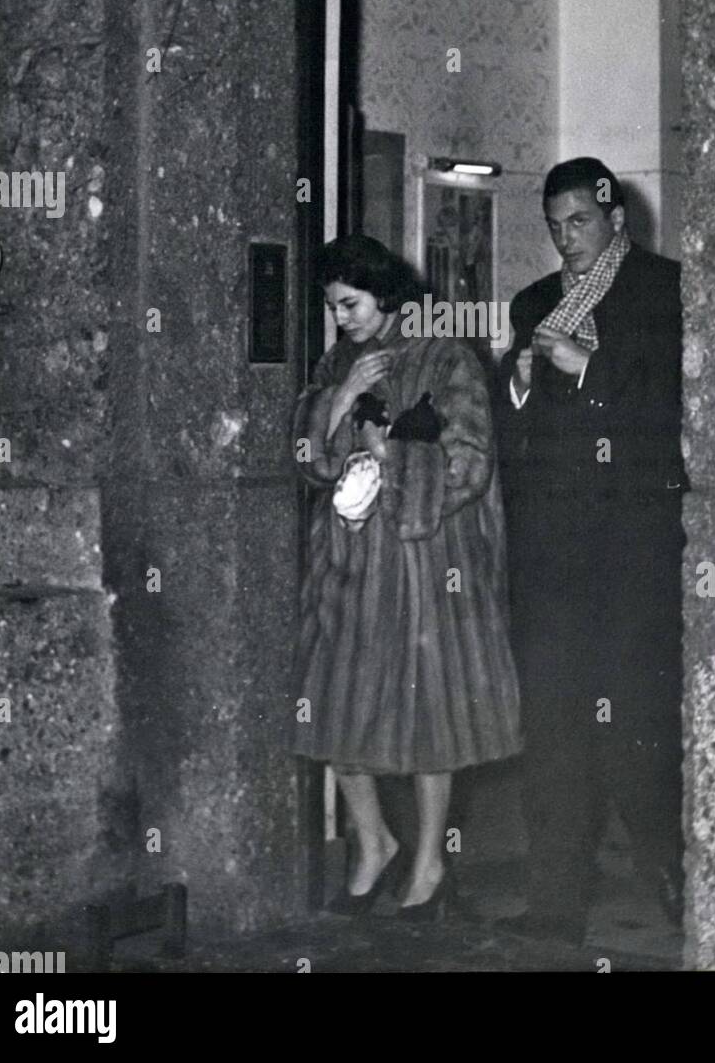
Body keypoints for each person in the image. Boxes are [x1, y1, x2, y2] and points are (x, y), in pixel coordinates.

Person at [291, 233, 521, 920]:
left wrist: (388, 464)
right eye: (334, 308)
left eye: (352, 304)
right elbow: (306, 457)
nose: (343, 319)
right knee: (331, 705)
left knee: (432, 716)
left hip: (427, 561)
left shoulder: (446, 353)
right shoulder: (339, 361)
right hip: (350, 559)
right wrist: (341, 401)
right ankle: (373, 844)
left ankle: (429, 862)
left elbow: (470, 460)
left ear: (386, 296)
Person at [494, 158, 689, 945]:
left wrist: (591, 372)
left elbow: (677, 409)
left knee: (638, 724)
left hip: (635, 550)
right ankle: (556, 898)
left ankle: (672, 876)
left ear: (613, 215)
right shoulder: (535, 305)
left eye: (577, 222)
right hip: (555, 555)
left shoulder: (665, 291)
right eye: (552, 225)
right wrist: (517, 385)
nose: (564, 239)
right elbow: (517, 436)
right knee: (554, 723)